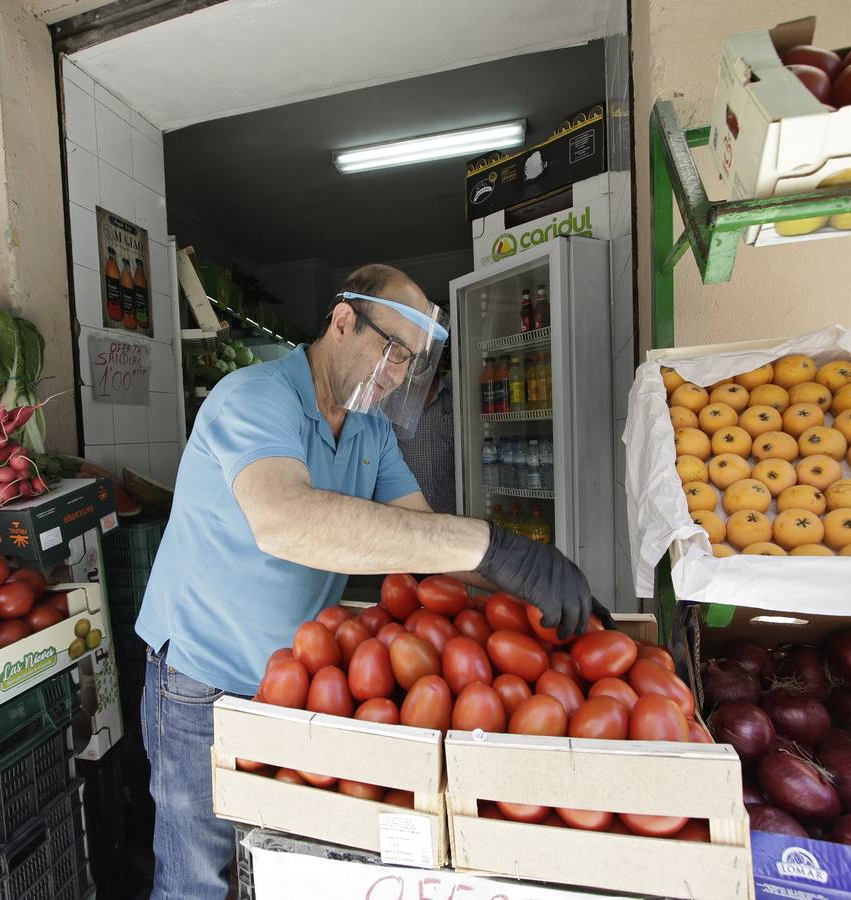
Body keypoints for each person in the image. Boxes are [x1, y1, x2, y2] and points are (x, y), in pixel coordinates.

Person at [134, 263, 599, 899]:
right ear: (344, 320)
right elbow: (286, 522)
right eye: (392, 349)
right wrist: (492, 544)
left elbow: (418, 533)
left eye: (411, 362)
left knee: (268, 865)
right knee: (198, 878)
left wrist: (527, 577)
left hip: (286, 686)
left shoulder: (370, 429)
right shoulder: (255, 397)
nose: (398, 374)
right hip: (201, 682)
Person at [397, 348, 455, 514]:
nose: (419, 362)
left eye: (427, 356)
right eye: (416, 356)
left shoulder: (456, 396)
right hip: (408, 514)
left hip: (452, 512)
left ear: (440, 358)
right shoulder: (393, 401)